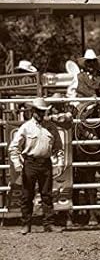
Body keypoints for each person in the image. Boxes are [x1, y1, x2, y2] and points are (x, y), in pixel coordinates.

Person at [9, 97, 65, 234]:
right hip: (30, 163)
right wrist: (17, 163)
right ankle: (26, 224)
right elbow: (13, 147)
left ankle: (48, 224)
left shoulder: (51, 127)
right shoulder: (26, 127)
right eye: (38, 111)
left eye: (43, 111)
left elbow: (59, 147)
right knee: (27, 195)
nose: (40, 114)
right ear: (33, 111)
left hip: (46, 163)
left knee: (47, 195)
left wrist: (59, 163)